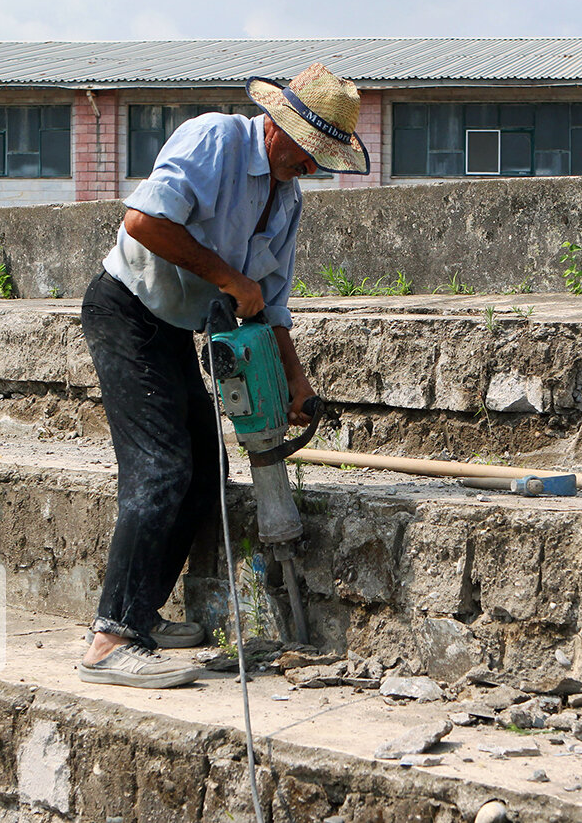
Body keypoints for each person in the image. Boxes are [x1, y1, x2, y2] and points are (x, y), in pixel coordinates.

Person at [77, 63, 370, 688]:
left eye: (324, 159)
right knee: (160, 465)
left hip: (173, 327)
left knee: (206, 467)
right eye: (308, 152)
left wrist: (296, 380)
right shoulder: (215, 140)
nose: (311, 168)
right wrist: (224, 277)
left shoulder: (286, 200)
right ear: (279, 126)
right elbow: (144, 222)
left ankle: (142, 616)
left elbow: (271, 298)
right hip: (127, 310)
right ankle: (110, 639)